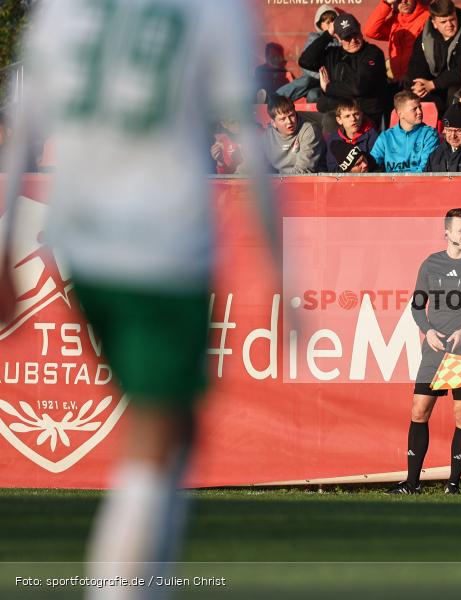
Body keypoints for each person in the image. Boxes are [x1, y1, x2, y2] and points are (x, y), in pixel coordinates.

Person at [0, 0, 278, 596]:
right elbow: (250, 143)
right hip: (166, 242)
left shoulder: (64, 9)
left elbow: (23, 121)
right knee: (156, 433)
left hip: (80, 241)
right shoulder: (215, 12)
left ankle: (150, 584)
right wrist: (282, 265)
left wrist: (3, 247)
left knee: (173, 429)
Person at [388, 208, 461, 495]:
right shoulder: (430, 264)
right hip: (434, 350)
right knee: (418, 410)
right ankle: (412, 484)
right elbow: (417, 306)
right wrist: (427, 330)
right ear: (447, 233)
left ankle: (453, 485)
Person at [299, 13, 390, 131]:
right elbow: (305, 61)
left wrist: (329, 88)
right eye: (347, 37)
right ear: (338, 38)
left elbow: (358, 87)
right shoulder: (333, 54)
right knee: (296, 118)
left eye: (355, 34)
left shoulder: (373, 53)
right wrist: (327, 35)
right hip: (335, 112)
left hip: (362, 116)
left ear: (360, 30)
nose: (353, 40)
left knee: (329, 120)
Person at [405, 0, 461, 114]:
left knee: (453, 91)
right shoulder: (426, 38)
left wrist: (433, 84)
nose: (449, 25)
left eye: (452, 19)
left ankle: (451, 126)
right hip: (436, 85)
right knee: (411, 90)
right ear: (434, 23)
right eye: (443, 21)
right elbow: (416, 63)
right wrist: (418, 85)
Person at [276, 6, 339, 102]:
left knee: (313, 95)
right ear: (320, 25)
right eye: (327, 23)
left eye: (333, 21)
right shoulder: (314, 38)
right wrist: (320, 76)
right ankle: (274, 99)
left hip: (329, 83)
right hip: (313, 77)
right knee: (306, 80)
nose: (331, 25)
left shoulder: (341, 40)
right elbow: (304, 63)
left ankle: (314, 116)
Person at [370, 90, 439, 172]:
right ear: (400, 114)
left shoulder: (429, 135)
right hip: (390, 183)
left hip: (418, 183)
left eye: (420, 107)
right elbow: (372, 164)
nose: (419, 112)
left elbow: (425, 169)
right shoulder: (385, 137)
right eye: (414, 109)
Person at [363, 0, 430, 83]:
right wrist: (386, 4)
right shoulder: (396, 20)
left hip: (420, 80)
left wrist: (411, 76)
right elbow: (370, 31)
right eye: (398, 0)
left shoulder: (428, 18)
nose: (403, 1)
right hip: (399, 80)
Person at [263, 95, 325, 174]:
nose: (289, 122)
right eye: (283, 119)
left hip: (309, 182)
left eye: (291, 116)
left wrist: (278, 179)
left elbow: (304, 171)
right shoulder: (267, 137)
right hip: (279, 182)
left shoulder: (309, 130)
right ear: (273, 123)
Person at [324, 97, 380, 172]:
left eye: (356, 114)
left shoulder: (372, 135)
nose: (353, 119)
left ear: (361, 114)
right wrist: (350, 170)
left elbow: (377, 165)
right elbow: (332, 170)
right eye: (347, 116)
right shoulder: (333, 140)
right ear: (339, 120)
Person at [426, 102, 461, 172]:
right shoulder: (436, 154)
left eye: (459, 131)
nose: (453, 136)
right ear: (444, 130)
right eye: (449, 130)